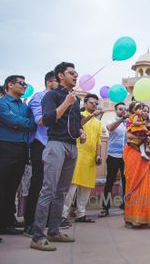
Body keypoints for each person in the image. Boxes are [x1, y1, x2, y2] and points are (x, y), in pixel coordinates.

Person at [30, 62, 86, 251]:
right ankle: (37, 236)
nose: (76, 76)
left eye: (76, 73)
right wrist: (65, 103)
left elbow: (75, 122)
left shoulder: (76, 100)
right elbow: (47, 120)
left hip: (72, 146)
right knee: (48, 190)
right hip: (55, 145)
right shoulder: (52, 95)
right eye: (72, 73)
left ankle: (54, 231)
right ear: (61, 76)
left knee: (62, 191)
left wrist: (81, 131)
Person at [0, 76, 36, 243]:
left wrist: (19, 123)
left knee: (11, 189)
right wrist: (19, 123)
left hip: (20, 149)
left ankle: (5, 223)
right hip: (2, 149)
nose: (24, 86)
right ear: (10, 85)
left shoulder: (24, 106)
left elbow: (32, 123)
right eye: (21, 83)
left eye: (25, 84)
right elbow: (12, 120)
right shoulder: (0, 103)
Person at [23, 71, 58, 237]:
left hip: (55, 144)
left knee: (52, 184)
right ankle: (30, 223)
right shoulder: (39, 97)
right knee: (38, 183)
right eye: (58, 81)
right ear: (50, 82)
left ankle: (48, 222)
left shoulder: (61, 98)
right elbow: (40, 120)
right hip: (40, 143)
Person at [123, 104, 150, 228]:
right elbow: (128, 137)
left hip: (147, 157)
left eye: (147, 110)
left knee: (145, 184)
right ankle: (133, 218)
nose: (145, 112)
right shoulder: (133, 122)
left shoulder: (149, 125)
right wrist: (147, 137)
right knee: (134, 183)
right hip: (133, 153)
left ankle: (143, 218)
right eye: (142, 109)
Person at [62, 94, 102, 224]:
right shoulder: (79, 115)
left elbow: (99, 140)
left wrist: (99, 154)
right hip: (78, 154)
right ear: (85, 103)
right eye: (92, 103)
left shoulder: (98, 122)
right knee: (72, 185)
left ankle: (81, 213)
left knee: (86, 187)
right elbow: (77, 125)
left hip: (91, 157)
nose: (94, 105)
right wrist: (92, 115)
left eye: (96, 103)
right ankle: (63, 214)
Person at [99, 102, 128, 218]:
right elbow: (110, 128)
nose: (123, 111)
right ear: (116, 110)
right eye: (120, 109)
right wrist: (121, 120)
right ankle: (105, 208)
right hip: (113, 156)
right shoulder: (111, 120)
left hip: (126, 157)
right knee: (109, 182)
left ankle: (127, 207)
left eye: (124, 109)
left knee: (127, 183)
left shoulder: (129, 122)